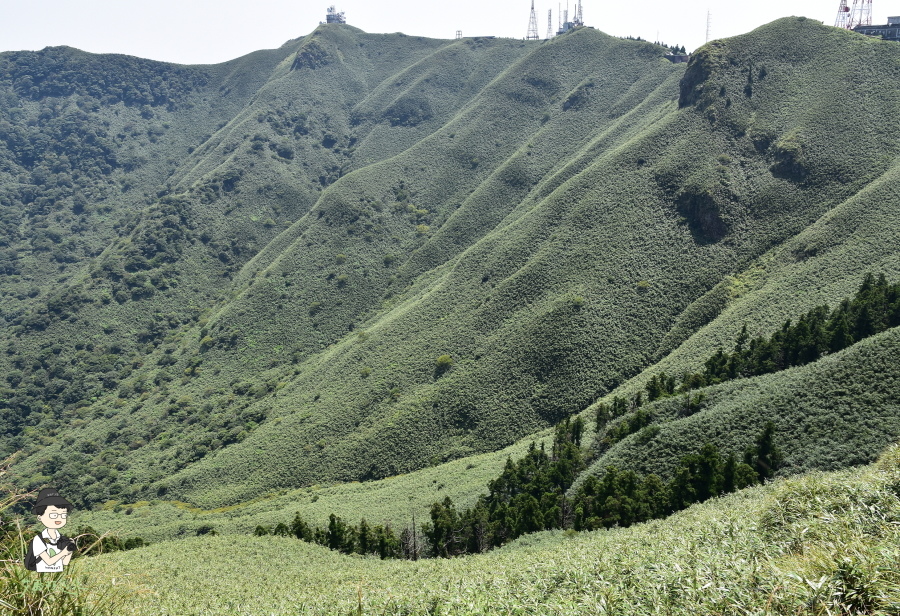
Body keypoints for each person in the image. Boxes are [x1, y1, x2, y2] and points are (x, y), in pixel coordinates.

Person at [31, 488, 75, 572]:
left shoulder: (61, 539)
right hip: (42, 576)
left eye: (63, 515)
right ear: (40, 517)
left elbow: (65, 563)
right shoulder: (39, 539)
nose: (59, 518)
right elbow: (48, 562)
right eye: (53, 515)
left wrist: (70, 549)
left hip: (57, 576)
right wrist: (63, 552)